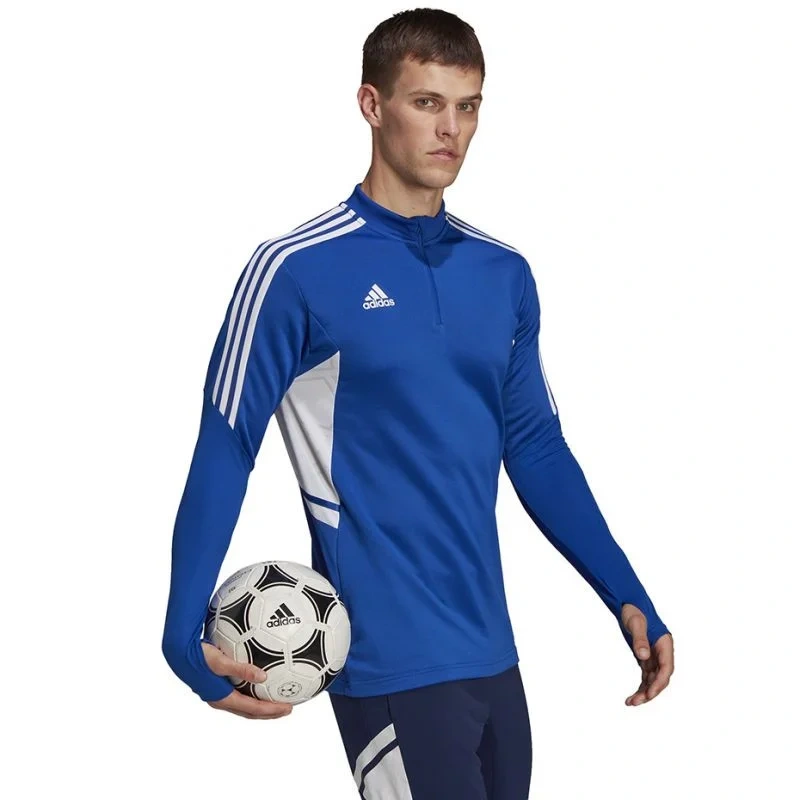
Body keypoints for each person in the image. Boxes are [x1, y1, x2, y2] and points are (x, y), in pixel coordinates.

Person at [161, 7, 674, 798]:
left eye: (468, 106)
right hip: (386, 660)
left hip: (493, 655)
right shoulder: (294, 269)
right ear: (372, 105)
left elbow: (535, 447)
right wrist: (179, 632)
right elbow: (227, 444)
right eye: (427, 102)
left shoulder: (502, 273)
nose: (451, 130)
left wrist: (626, 592)